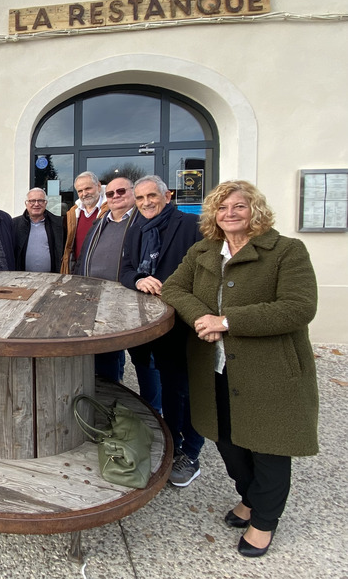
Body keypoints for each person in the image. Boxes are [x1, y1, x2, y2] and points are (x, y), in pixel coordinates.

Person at [163, 180, 318, 558]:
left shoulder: (286, 251)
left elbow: (299, 307)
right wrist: (203, 316)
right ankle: (249, 499)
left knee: (268, 446)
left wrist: (227, 322)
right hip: (215, 368)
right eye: (222, 208)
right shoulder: (204, 250)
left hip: (268, 369)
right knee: (227, 440)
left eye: (239, 207)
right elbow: (173, 288)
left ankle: (264, 522)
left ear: (256, 211)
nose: (230, 214)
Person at [120, 175, 204, 487]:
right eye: (139, 198)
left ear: (166, 195)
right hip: (147, 321)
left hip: (182, 322)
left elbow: (204, 277)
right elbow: (127, 270)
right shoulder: (137, 227)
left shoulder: (191, 226)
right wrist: (139, 279)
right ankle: (170, 440)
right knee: (165, 384)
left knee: (184, 389)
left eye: (151, 196)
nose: (145, 203)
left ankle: (190, 453)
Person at [74, 176, 161, 400]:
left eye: (121, 191)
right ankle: (110, 401)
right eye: (110, 194)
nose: (115, 197)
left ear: (132, 193)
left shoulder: (145, 222)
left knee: (144, 357)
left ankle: (154, 408)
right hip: (97, 300)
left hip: (134, 300)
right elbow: (85, 256)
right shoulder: (102, 221)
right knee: (106, 353)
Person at [61, 171, 108, 274]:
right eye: (80, 191)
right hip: (78, 269)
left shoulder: (110, 211)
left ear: (99, 186)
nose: (84, 194)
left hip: (102, 271)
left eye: (88, 188)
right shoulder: (73, 213)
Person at [13, 187, 64, 273]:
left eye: (40, 201)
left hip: (52, 278)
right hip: (21, 278)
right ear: (26, 203)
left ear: (45, 203)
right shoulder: (14, 224)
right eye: (32, 201)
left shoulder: (59, 224)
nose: (36, 204)